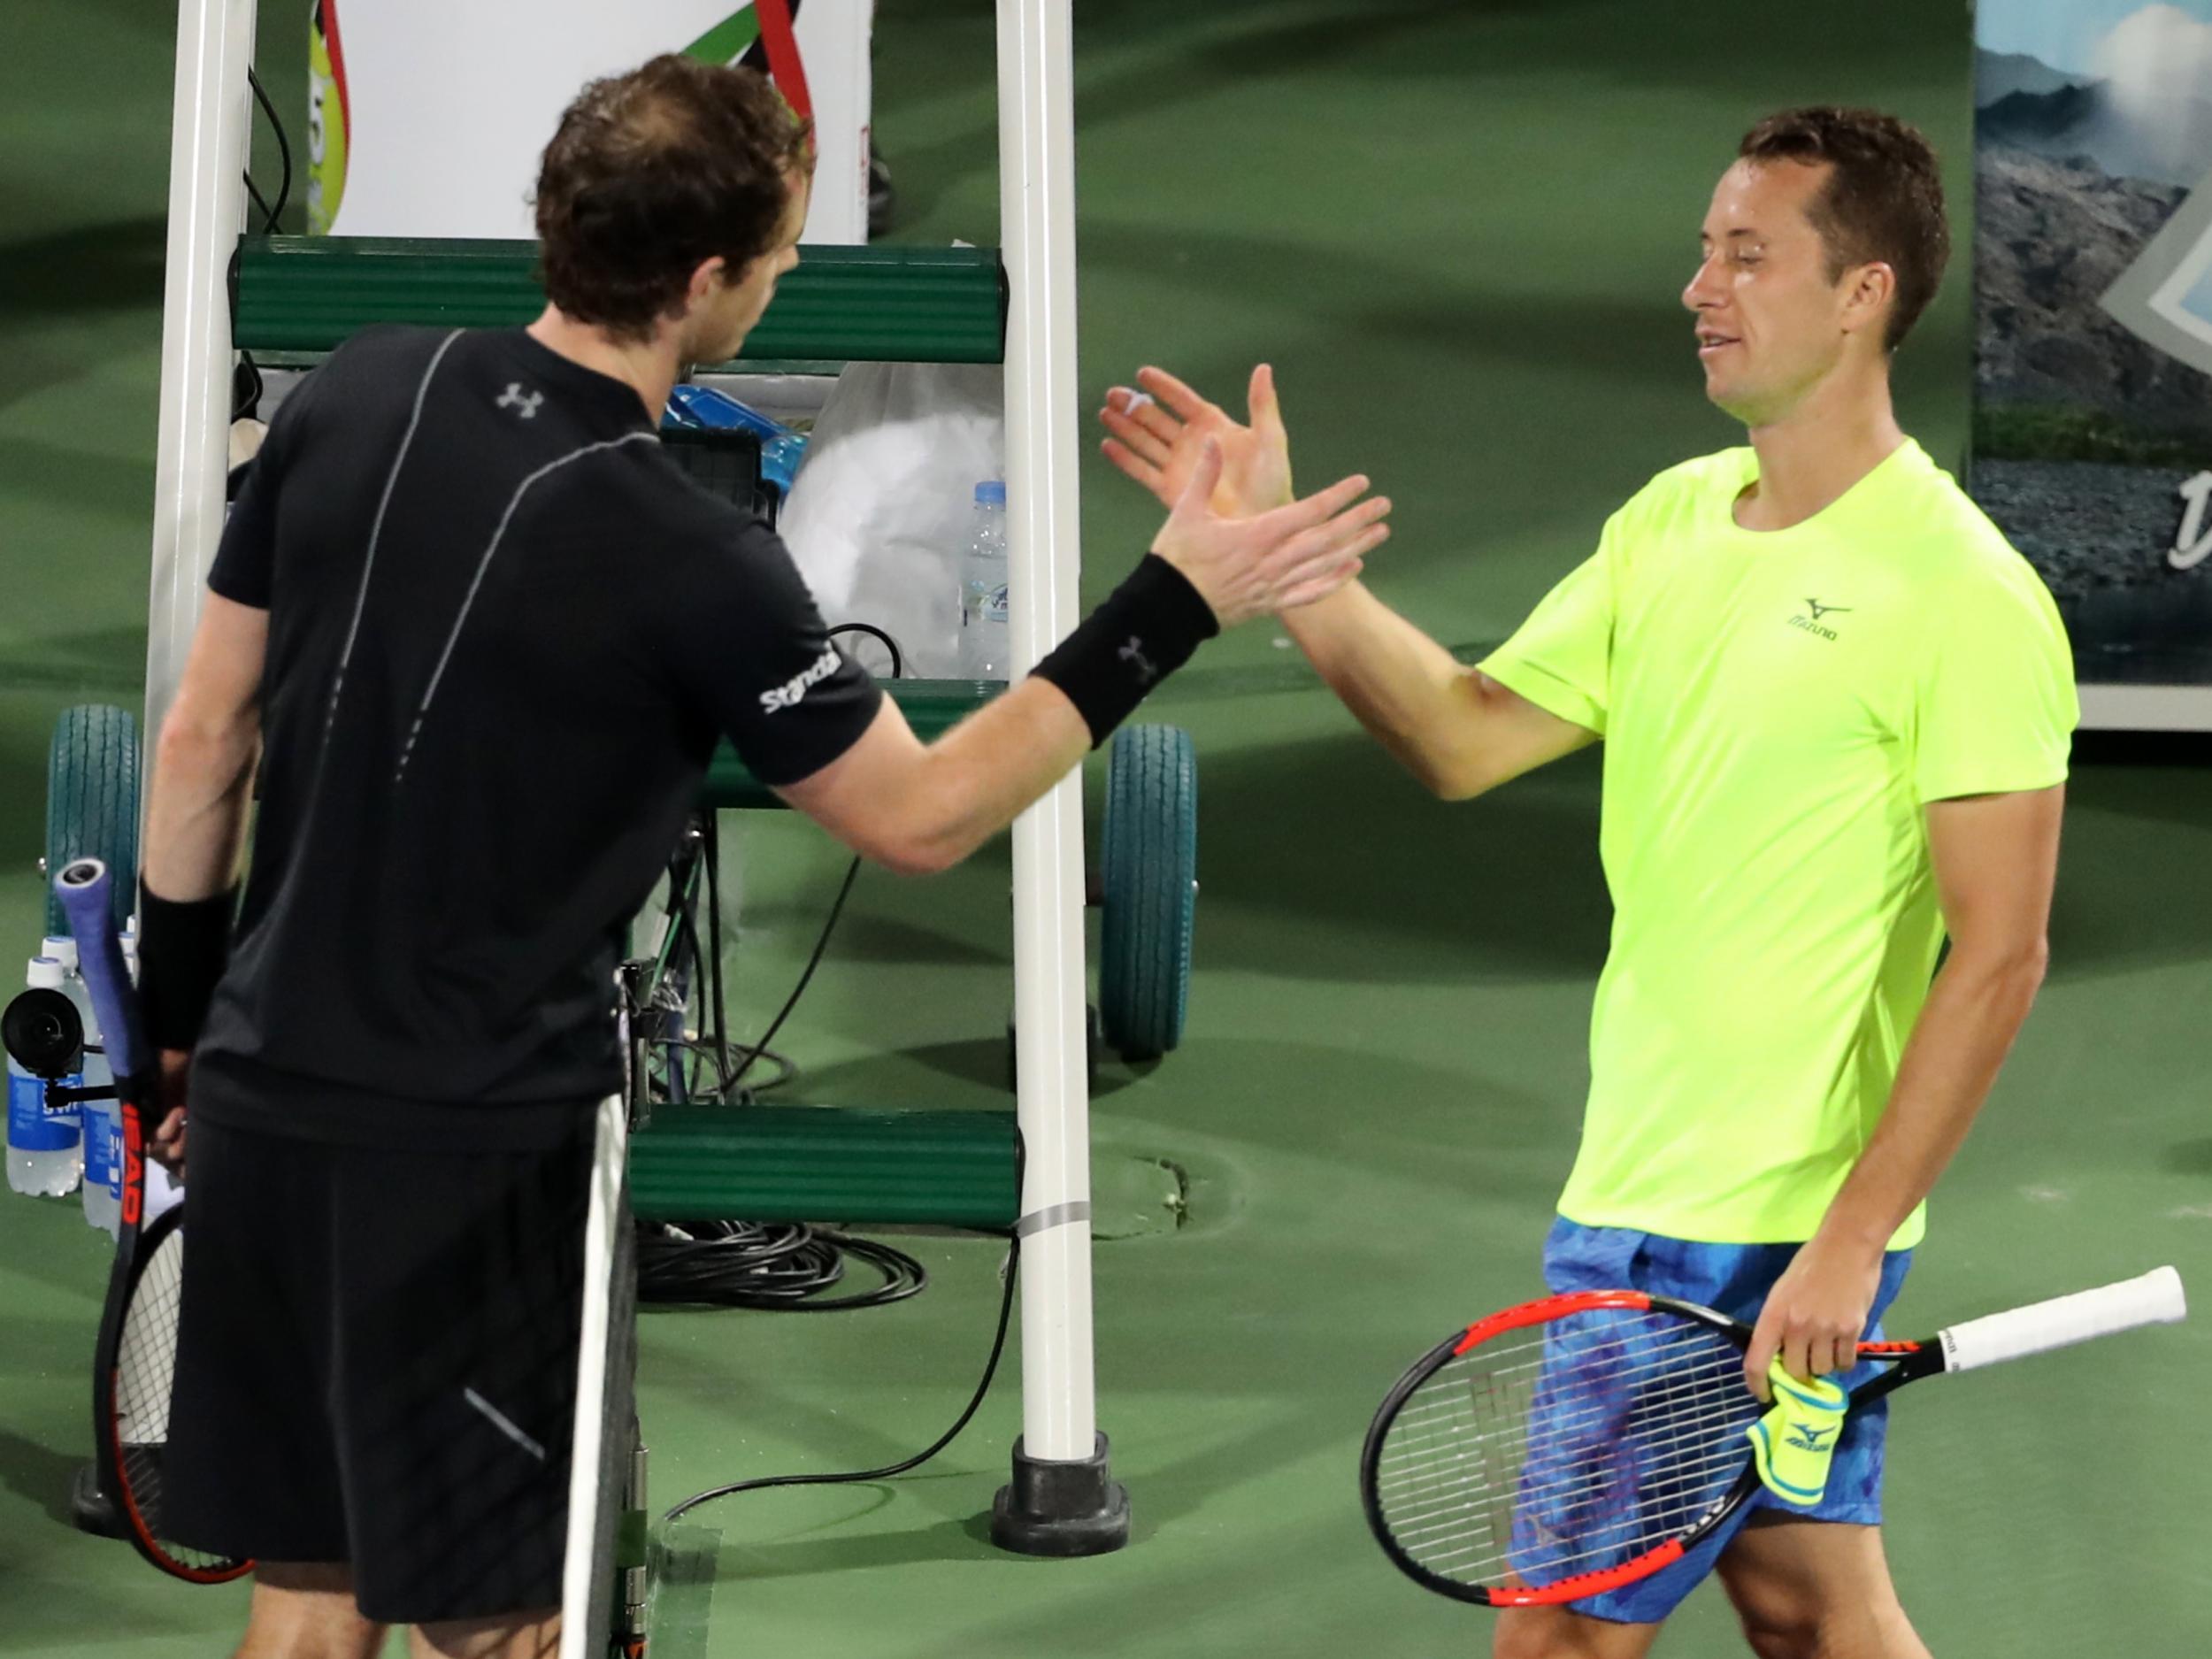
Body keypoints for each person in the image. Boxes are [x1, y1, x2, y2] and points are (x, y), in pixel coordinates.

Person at [139, 54, 1391, 1659]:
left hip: (260, 1090)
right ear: (711, 280)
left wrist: (177, 1026)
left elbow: (198, 748)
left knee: (306, 1605)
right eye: (784, 249)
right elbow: (921, 817)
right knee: (507, 1625)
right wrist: (1177, 602)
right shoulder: (695, 557)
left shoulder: (352, 393)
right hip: (461, 1162)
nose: (793, 271)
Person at [1098, 107, 2073, 1659]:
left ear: (1864, 293)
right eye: (1704, 250)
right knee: (1813, 1612)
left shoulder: (1964, 596)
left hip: (1751, 1233)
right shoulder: (1670, 525)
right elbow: (1462, 739)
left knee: (1555, 1643)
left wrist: (1848, 1238)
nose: (1703, 285)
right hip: (1641, 1182)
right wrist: (1287, 565)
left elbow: (2000, 953)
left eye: (1750, 256)